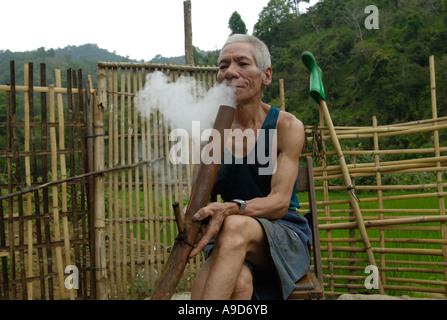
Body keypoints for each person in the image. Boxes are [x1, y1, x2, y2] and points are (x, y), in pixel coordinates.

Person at [188, 34, 312, 300]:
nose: (230, 72)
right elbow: (199, 198)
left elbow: (279, 203)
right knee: (240, 283)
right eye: (223, 66)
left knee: (234, 225)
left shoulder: (286, 127)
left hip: (282, 233)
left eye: (242, 63)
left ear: (265, 76)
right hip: (227, 239)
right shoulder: (213, 130)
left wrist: (232, 208)